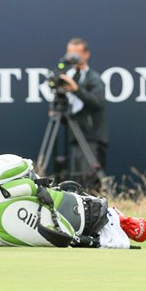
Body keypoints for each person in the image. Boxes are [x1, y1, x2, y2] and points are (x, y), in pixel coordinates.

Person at [0, 154, 146, 248]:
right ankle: (121, 222)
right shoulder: (7, 189)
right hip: (86, 216)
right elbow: (30, 180)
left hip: (86, 219)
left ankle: (121, 223)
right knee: (138, 228)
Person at [58, 37, 108, 190]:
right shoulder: (68, 76)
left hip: (92, 139)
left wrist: (76, 89)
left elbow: (98, 102)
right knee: (76, 182)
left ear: (86, 55)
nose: (72, 58)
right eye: (70, 54)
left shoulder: (94, 78)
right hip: (74, 137)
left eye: (76, 54)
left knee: (89, 182)